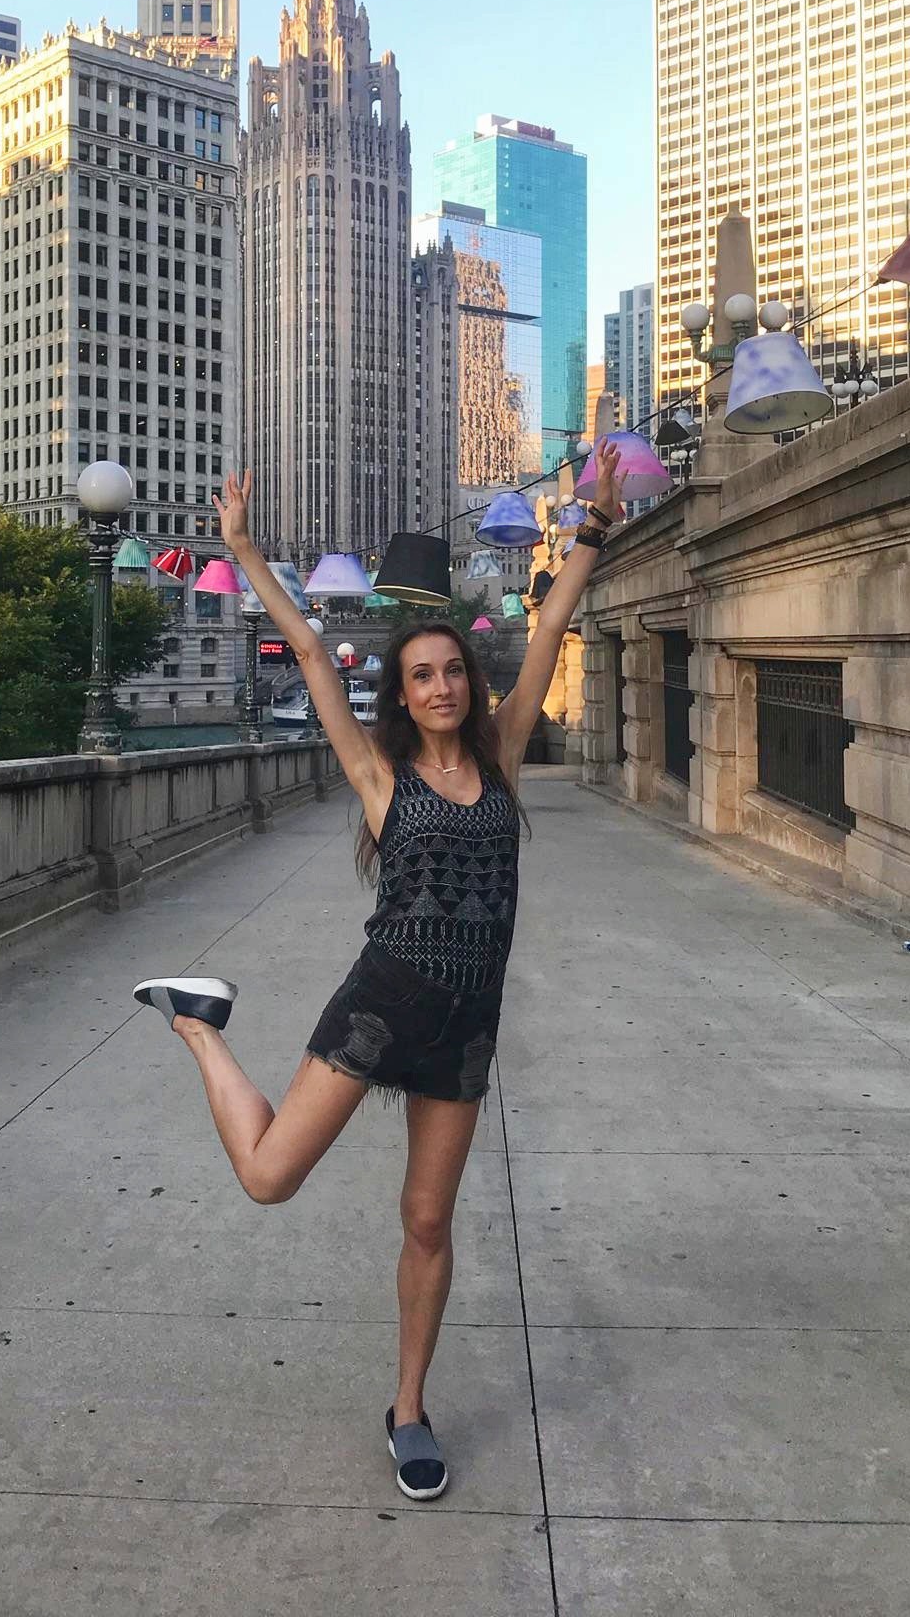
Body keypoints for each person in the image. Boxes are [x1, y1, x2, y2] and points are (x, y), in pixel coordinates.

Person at [133, 452, 624, 1500]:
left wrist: (591, 535)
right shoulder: (378, 777)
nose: (442, 684)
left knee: (429, 1220)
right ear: (401, 693)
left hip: (466, 1026)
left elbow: (543, 632)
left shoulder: (501, 755)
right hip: (384, 999)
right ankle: (198, 1024)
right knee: (269, 1175)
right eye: (422, 674)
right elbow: (309, 646)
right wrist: (245, 550)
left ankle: (407, 1407)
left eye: (453, 669)